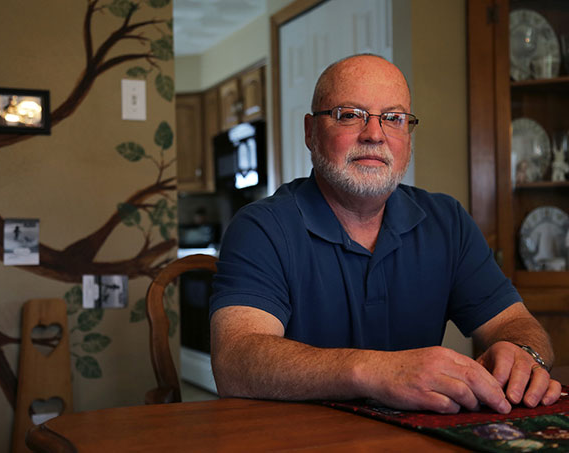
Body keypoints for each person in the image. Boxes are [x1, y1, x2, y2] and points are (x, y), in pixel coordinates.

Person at [209, 54, 562, 414]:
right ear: (310, 132)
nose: (374, 135)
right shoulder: (262, 227)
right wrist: (377, 371)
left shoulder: (447, 221)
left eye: (393, 119)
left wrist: (521, 353)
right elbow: (235, 361)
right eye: (349, 114)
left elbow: (514, 322)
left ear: (407, 136)